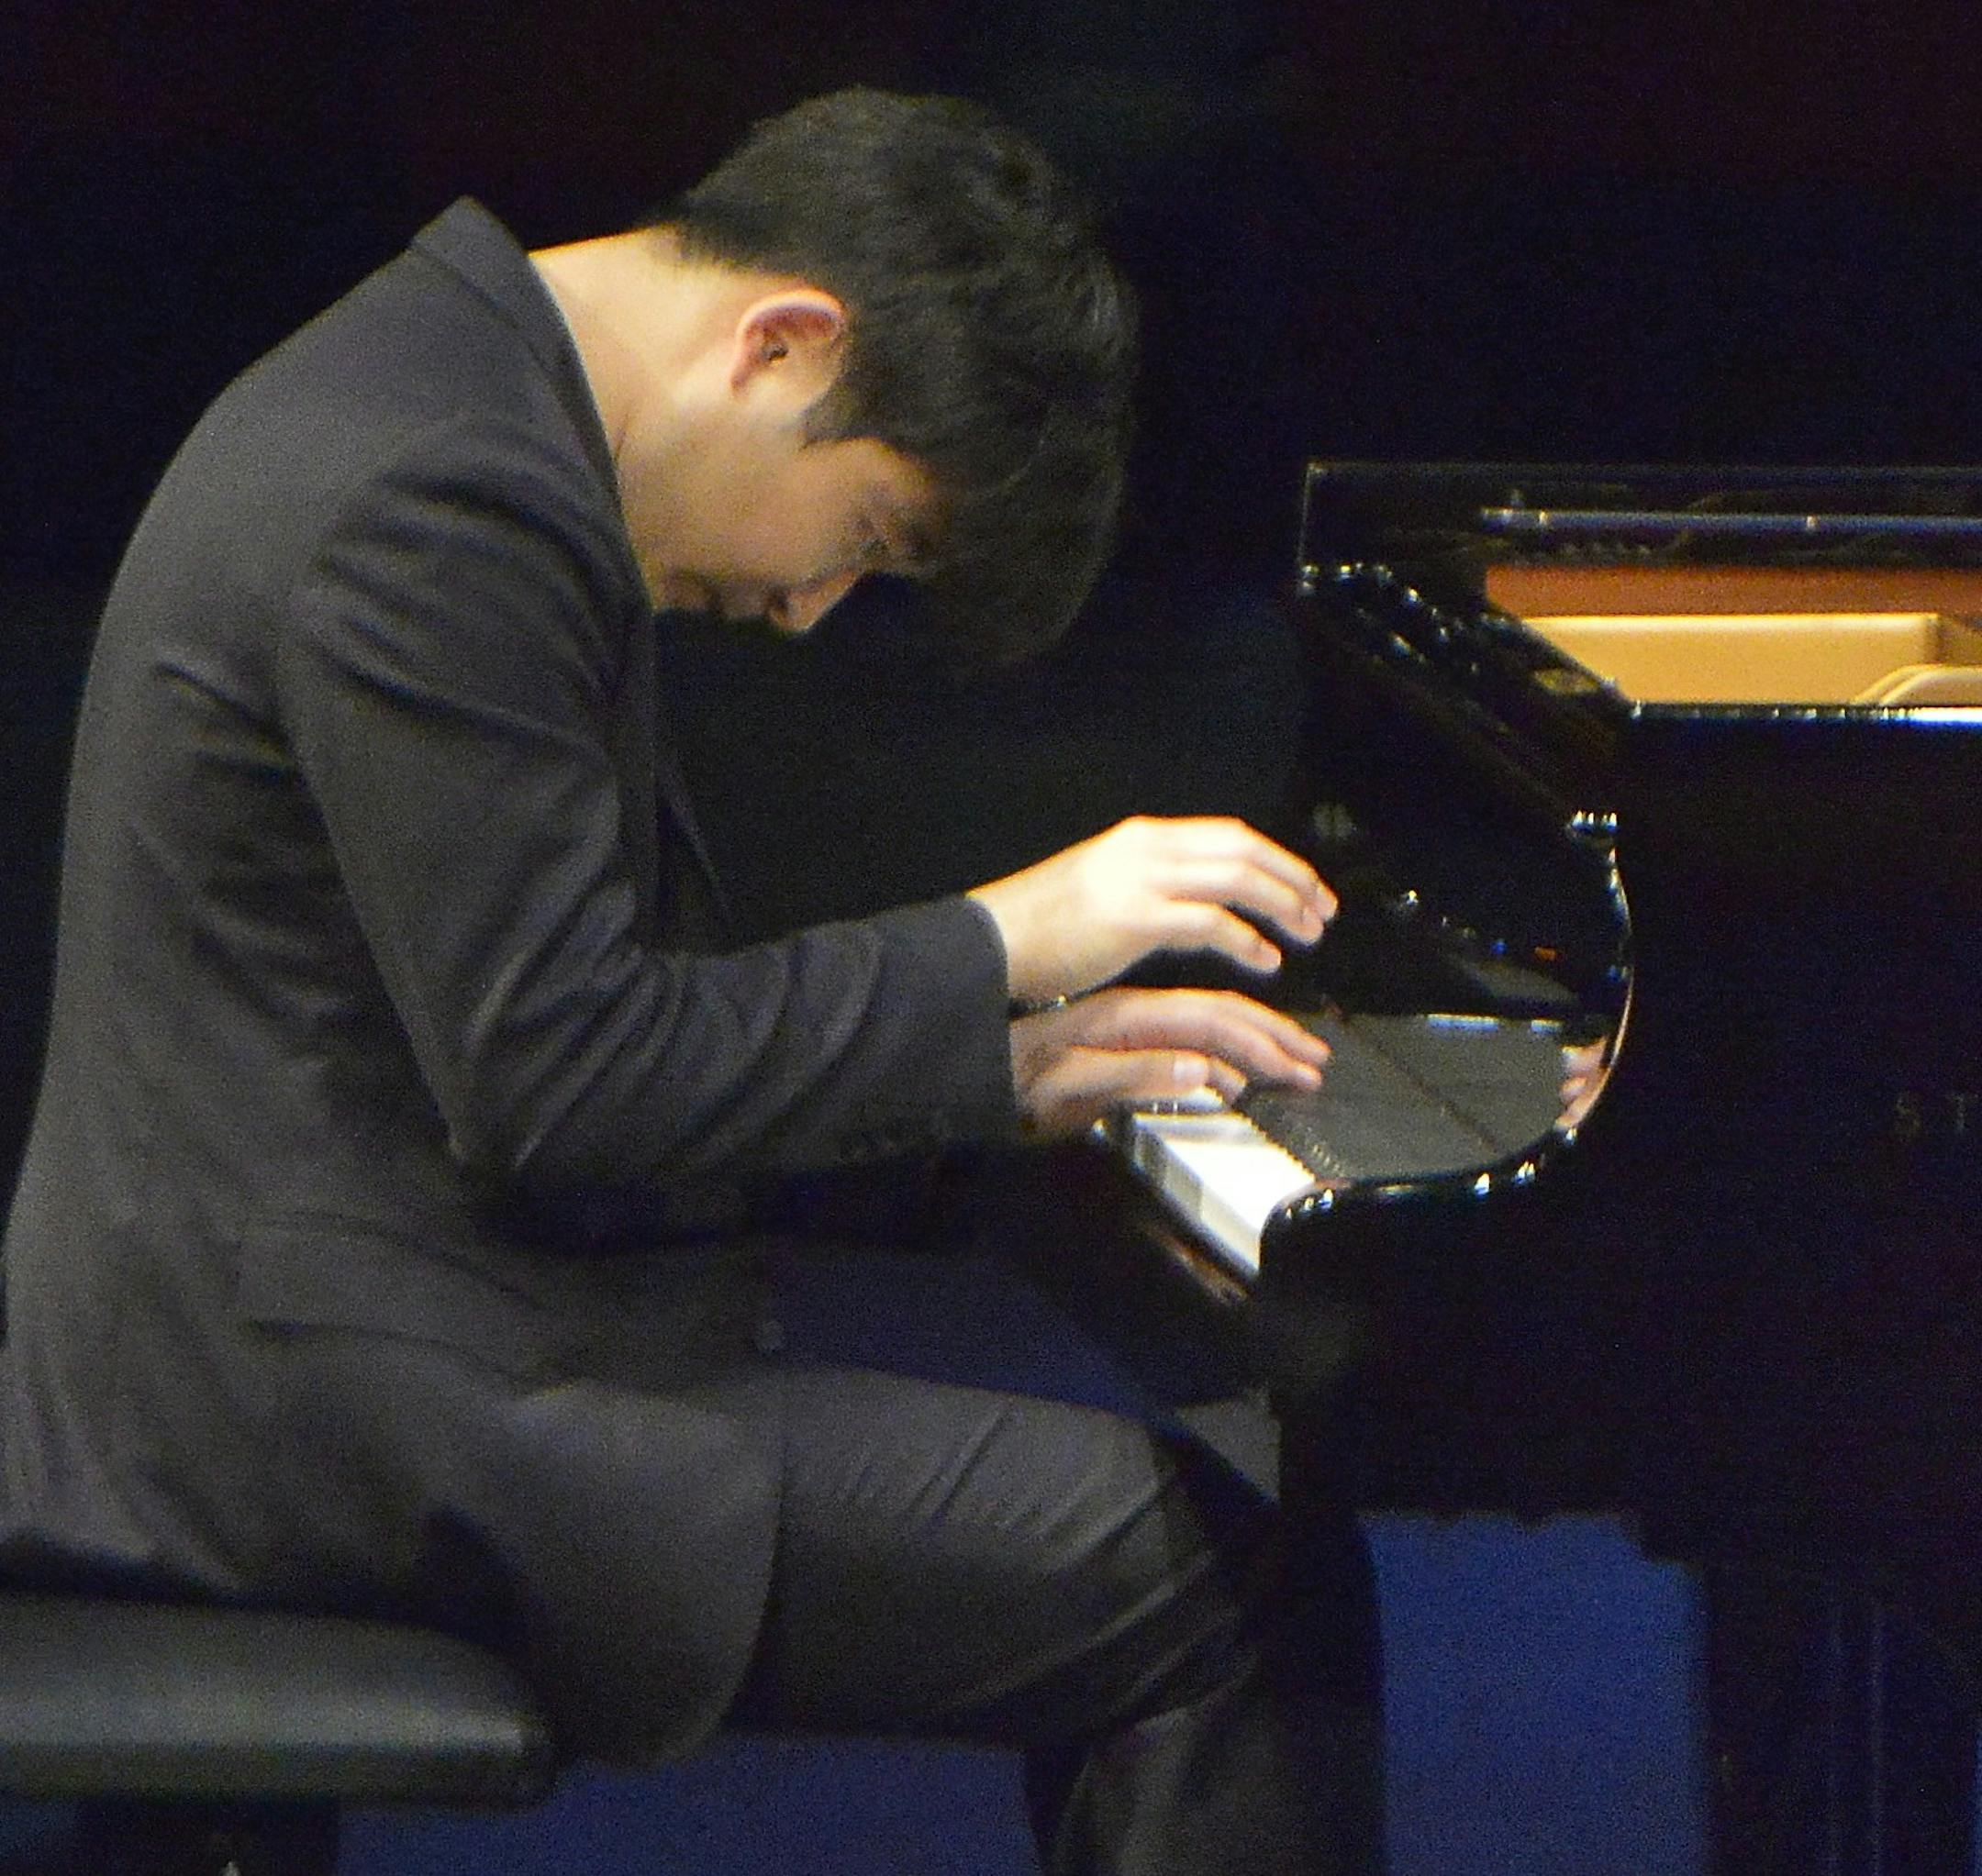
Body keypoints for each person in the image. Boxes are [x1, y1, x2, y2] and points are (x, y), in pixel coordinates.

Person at [0, 90, 1381, 1873]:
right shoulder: (448, 498)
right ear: (782, 345)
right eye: (871, 537)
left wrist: (1015, 1075)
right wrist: (999, 943)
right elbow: (563, 1079)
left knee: (1192, 1533)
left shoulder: (441, 391)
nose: (811, 609)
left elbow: (552, 1047)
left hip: (289, 1343)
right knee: (1222, 1585)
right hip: (324, 1410)